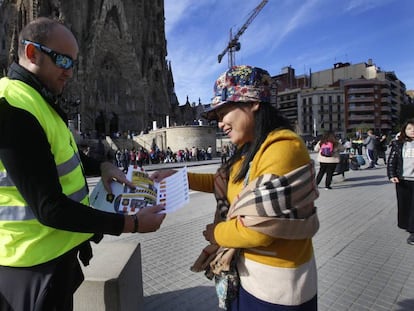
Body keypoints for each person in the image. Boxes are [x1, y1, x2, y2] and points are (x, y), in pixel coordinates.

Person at [0, 17, 166, 310]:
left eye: (74, 63)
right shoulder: (12, 107)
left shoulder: (38, 100)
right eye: (63, 60)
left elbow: (56, 156)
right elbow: (50, 208)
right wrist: (132, 223)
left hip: (55, 256)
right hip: (30, 265)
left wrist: (100, 166)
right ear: (30, 53)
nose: (71, 72)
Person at [152, 65, 319, 310]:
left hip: (278, 287)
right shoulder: (250, 150)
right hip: (249, 278)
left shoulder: (283, 148)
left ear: (252, 103)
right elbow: (223, 182)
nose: (220, 123)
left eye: (224, 113)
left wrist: (216, 233)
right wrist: (179, 176)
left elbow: (258, 230)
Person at [387, 119, 414, 245]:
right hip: (402, 180)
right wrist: (392, 175)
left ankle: (412, 232)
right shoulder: (399, 144)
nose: (412, 130)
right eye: (409, 128)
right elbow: (392, 160)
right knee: (404, 205)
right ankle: (406, 224)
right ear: (404, 130)